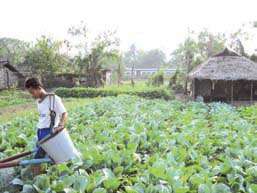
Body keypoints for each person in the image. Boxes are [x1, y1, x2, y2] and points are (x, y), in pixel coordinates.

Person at [24, 77, 68, 174]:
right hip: (40, 132)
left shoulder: (53, 99)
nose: (32, 95)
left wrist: (60, 125)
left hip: (49, 133)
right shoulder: (38, 101)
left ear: (39, 87)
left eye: (32, 92)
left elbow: (64, 113)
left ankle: (36, 178)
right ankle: (51, 174)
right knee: (49, 156)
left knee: (37, 159)